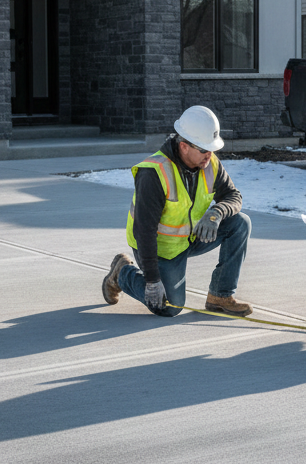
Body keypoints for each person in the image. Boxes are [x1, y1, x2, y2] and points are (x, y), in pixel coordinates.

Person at [100, 105, 253, 318]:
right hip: (160, 248)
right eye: (203, 149)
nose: (209, 155)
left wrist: (216, 212)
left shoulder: (210, 164)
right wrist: (152, 281)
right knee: (169, 306)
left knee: (240, 223)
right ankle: (122, 274)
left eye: (212, 149)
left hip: (189, 237)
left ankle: (220, 296)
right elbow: (144, 232)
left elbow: (233, 197)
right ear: (183, 146)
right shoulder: (153, 173)